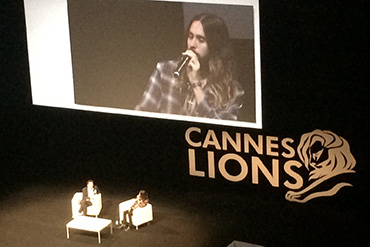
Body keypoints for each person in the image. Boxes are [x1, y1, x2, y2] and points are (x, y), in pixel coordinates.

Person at [135, 13, 245, 120]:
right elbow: (141, 112)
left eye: (201, 40)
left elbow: (221, 132)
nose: (192, 44)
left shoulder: (232, 91)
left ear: (215, 46)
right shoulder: (165, 71)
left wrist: (196, 83)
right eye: (190, 36)